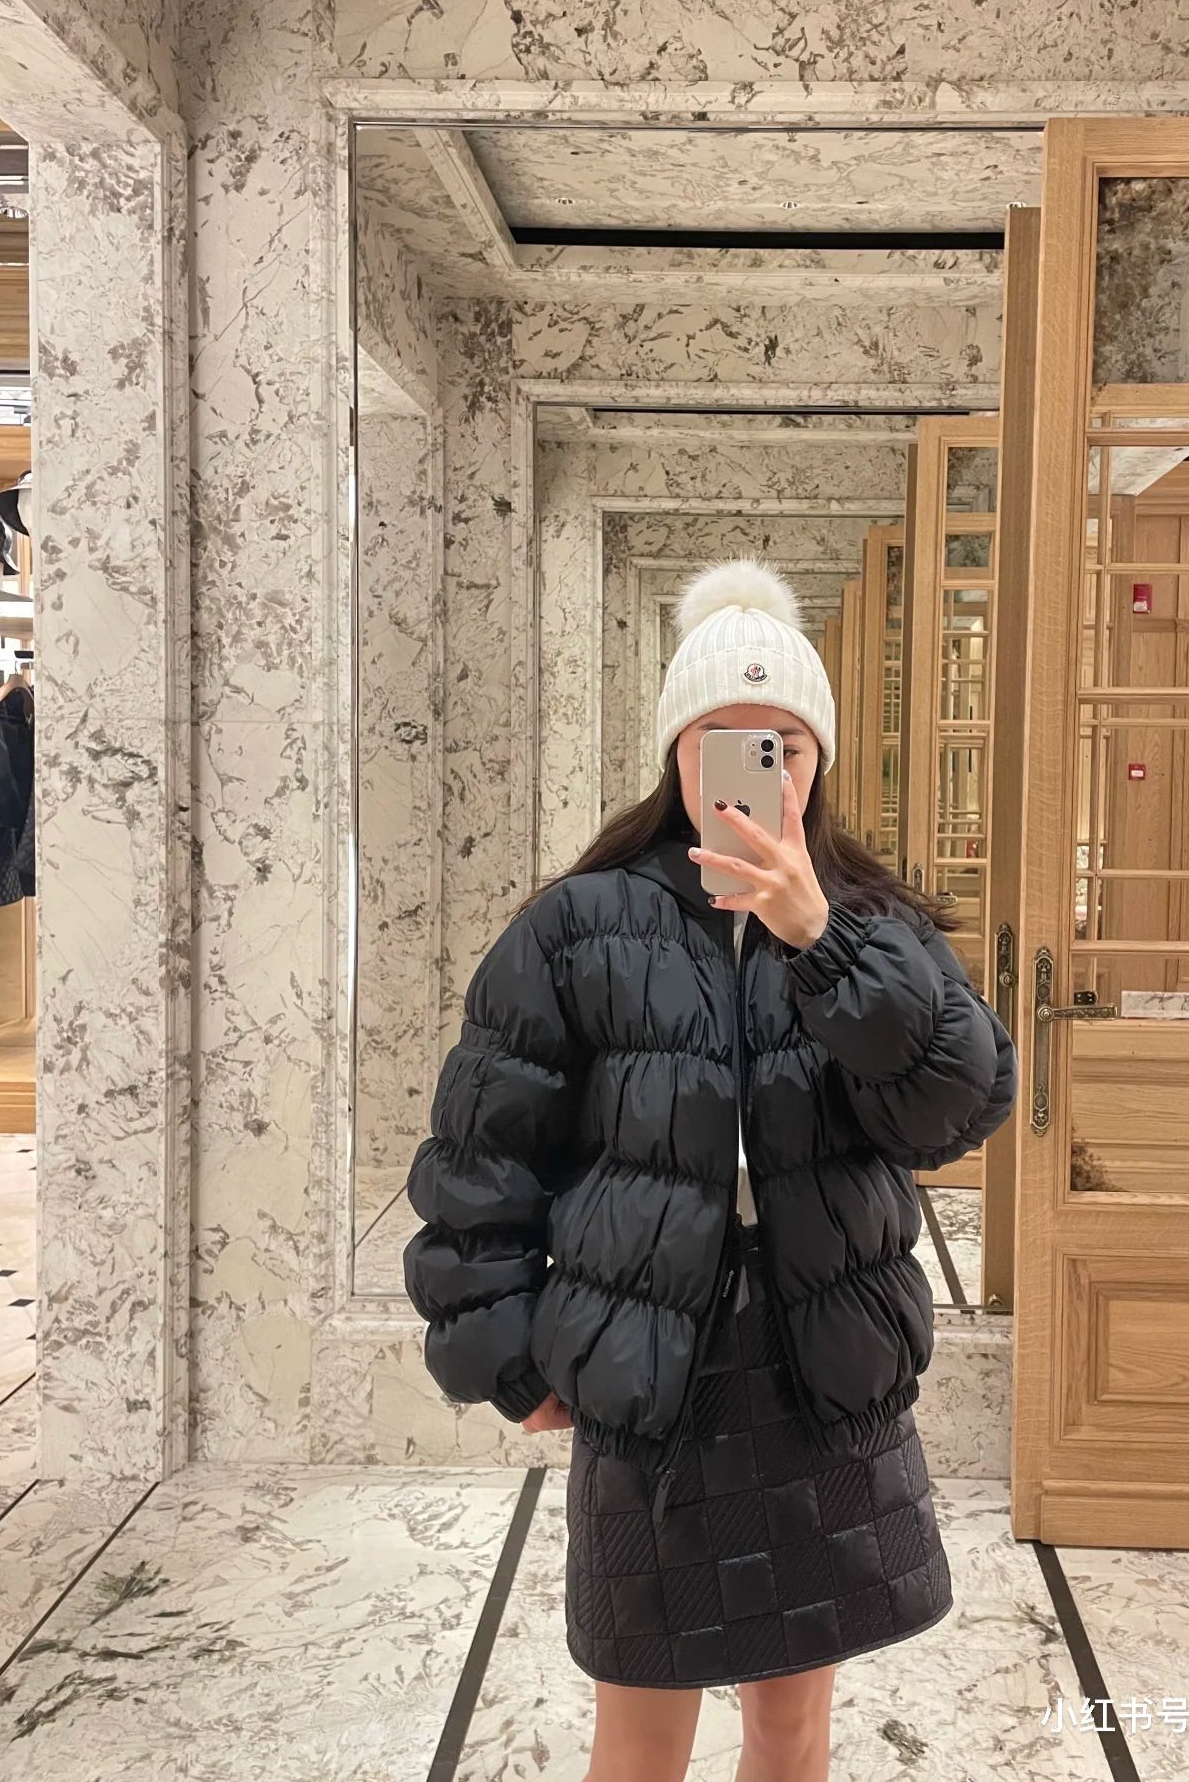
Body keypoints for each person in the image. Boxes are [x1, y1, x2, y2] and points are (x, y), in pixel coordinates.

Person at [404, 556, 1017, 1782]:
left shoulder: (871, 924)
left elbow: (959, 1106)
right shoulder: (577, 925)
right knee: (639, 1737)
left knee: (792, 1728)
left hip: (825, 1367)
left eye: (781, 744)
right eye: (719, 742)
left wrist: (820, 940)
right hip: (649, 1375)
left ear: (817, 761)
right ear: (675, 755)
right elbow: (484, 1155)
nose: (753, 771)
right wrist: (505, 1354)